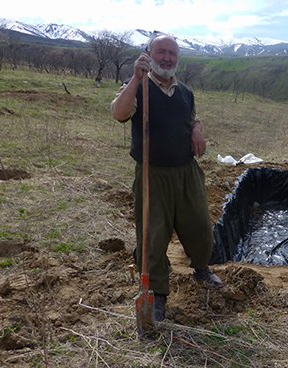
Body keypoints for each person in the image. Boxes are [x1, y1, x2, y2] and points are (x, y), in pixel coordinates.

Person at [111, 33, 223, 322]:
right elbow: (118, 114)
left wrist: (196, 128)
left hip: (186, 171)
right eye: (161, 52)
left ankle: (201, 269)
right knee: (153, 234)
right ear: (149, 54)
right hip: (153, 173)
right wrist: (136, 79)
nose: (167, 58)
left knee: (198, 224)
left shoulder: (185, 91)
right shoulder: (139, 87)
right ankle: (157, 292)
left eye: (172, 53)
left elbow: (191, 114)